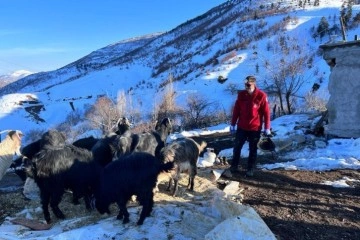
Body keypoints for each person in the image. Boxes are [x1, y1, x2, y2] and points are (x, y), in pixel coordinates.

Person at [229, 75, 271, 177]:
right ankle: (234, 166)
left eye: (249, 85)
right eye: (245, 85)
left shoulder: (261, 96)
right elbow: (236, 110)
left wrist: (267, 127)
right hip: (242, 126)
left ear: (254, 84)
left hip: (255, 128)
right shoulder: (241, 95)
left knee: (253, 149)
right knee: (237, 147)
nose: (247, 87)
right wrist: (233, 124)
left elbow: (266, 113)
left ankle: (250, 169)